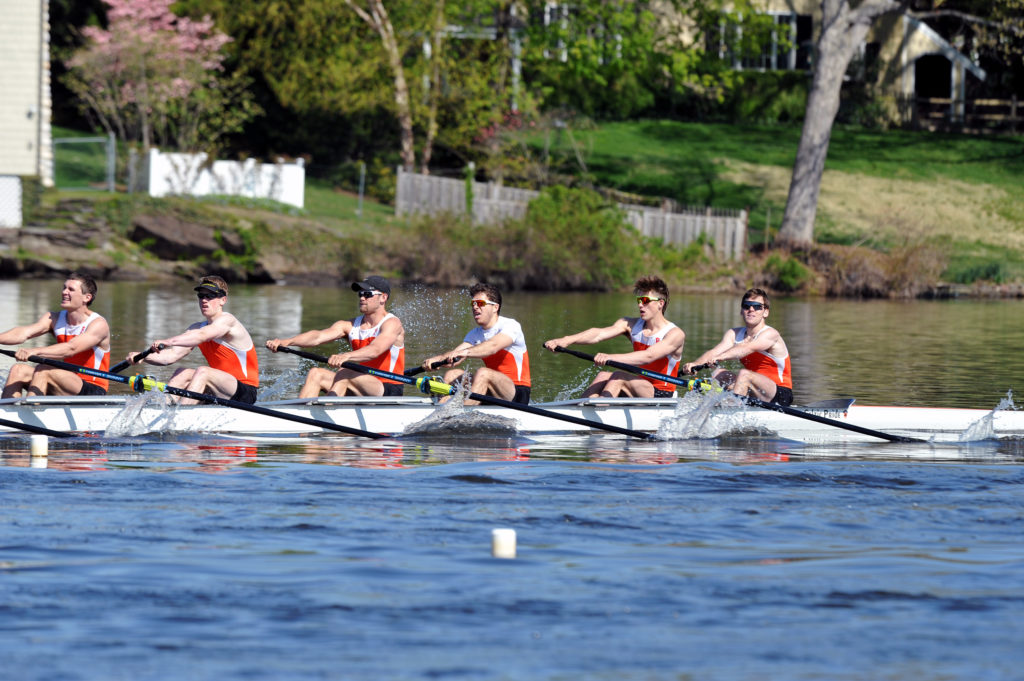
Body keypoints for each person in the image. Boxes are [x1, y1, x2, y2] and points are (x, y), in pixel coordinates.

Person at [543, 275, 685, 398]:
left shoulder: (675, 334)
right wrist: (566, 340)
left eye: (645, 300)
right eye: (639, 300)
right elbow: (598, 334)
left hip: (662, 393)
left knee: (618, 376)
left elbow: (648, 356)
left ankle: (597, 410)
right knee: (603, 375)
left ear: (661, 303)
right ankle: (581, 407)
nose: (640, 305)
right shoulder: (630, 324)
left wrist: (610, 357)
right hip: (639, 386)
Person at [265, 275, 406, 398]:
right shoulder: (350, 325)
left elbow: (375, 350)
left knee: (345, 372)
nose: (362, 298)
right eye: (360, 294)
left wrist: (346, 356)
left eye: (367, 294)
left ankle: (327, 410)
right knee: (316, 374)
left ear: (383, 297)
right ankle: (301, 413)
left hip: (387, 387)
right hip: (359, 382)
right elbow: (317, 337)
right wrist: (287, 342)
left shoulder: (392, 323)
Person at [127, 275, 259, 405]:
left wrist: (168, 341)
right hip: (218, 388)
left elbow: (202, 335)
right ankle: (165, 408)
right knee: (182, 372)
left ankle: (180, 417)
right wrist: (143, 357)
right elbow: (170, 356)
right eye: (201, 296)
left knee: (203, 371)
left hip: (245, 392)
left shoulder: (228, 321)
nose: (204, 300)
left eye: (210, 296)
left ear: (223, 300)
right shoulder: (195, 328)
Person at [0, 273, 112, 397]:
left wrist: (34, 351)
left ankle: (31, 408)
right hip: (63, 381)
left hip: (92, 388)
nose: (64, 292)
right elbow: (22, 333)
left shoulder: (98, 324)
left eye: (71, 289)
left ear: (87, 297)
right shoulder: (54, 318)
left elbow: (71, 348)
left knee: (43, 369)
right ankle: (7, 410)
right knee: (18, 370)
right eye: (64, 288)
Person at [422, 283, 531, 405]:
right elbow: (454, 357)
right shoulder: (475, 334)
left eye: (480, 303)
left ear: (495, 307)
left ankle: (461, 413)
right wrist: (437, 360)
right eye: (472, 303)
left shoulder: (511, 326)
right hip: (492, 390)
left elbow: (493, 347)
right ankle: (441, 406)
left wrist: (466, 352)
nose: (475, 307)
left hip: (517, 392)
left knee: (483, 373)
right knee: (453, 374)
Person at [682, 288, 793, 406]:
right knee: (719, 373)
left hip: (780, 393)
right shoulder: (734, 333)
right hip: (755, 390)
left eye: (757, 306)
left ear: (765, 312)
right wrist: (696, 364)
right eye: (747, 306)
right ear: (741, 311)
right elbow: (715, 351)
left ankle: (730, 411)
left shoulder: (771, 334)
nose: (751, 309)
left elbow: (747, 348)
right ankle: (711, 406)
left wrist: (721, 357)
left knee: (744, 374)